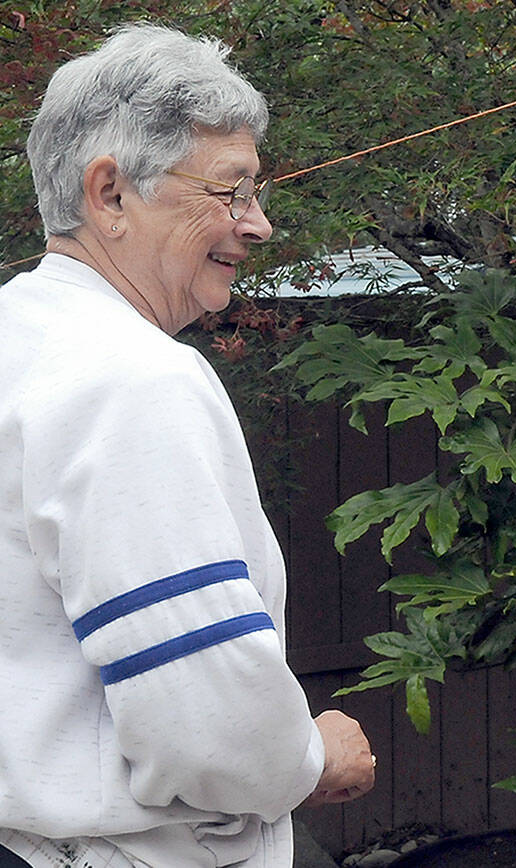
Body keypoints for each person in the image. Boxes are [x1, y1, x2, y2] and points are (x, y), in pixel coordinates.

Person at [0, 24, 374, 868]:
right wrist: (309, 761)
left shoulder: (18, 339)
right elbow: (208, 723)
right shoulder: (132, 378)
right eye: (231, 192)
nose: (261, 224)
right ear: (110, 194)